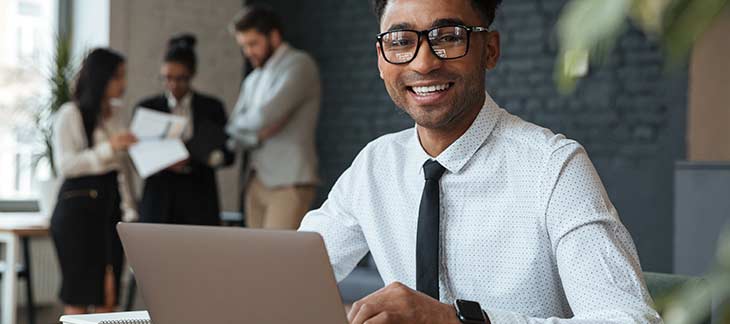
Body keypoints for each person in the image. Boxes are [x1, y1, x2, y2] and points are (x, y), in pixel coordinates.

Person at [298, 0, 662, 323]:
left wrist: (458, 321)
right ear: (381, 60)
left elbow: (630, 319)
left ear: (489, 49)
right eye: (401, 41)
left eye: (449, 36)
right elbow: (290, 274)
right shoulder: (374, 166)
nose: (423, 63)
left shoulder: (553, 168)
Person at [50, 48, 137, 315]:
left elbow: (123, 172)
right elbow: (67, 165)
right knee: (79, 294)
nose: (123, 84)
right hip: (78, 213)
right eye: (118, 77)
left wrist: (132, 209)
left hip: (110, 210)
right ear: (102, 77)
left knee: (109, 296)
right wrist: (108, 148)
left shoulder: (116, 115)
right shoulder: (70, 114)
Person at [226, 5, 321, 230]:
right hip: (255, 181)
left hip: (289, 182)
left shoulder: (299, 64)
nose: (248, 52)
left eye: (253, 43)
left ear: (274, 37)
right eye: (244, 46)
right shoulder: (254, 77)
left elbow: (264, 116)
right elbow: (231, 127)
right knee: (255, 260)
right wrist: (256, 137)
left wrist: (251, 125)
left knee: (277, 262)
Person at [137, 34, 234, 226]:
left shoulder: (211, 108)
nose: (173, 85)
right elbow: (138, 157)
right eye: (167, 78)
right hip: (159, 198)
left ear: (192, 75)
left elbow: (228, 154)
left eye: (180, 79)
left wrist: (208, 156)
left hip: (199, 197)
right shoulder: (148, 108)